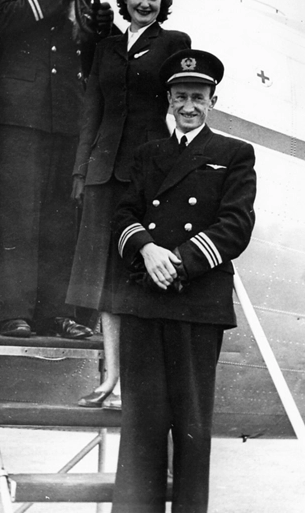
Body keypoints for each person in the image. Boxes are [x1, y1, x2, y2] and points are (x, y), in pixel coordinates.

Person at [111, 49, 257, 513]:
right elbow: (123, 215)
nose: (188, 105)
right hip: (145, 303)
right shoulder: (147, 153)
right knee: (141, 428)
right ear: (169, 99)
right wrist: (147, 249)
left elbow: (236, 226)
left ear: (213, 100)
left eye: (198, 96)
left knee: (192, 430)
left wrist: (178, 260)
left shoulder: (233, 154)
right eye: (180, 96)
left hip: (197, 302)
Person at [0, 0, 112, 339]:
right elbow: (4, 19)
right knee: (19, 214)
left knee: (61, 219)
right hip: (19, 114)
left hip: (65, 118)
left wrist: (100, 31)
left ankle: (56, 314)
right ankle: (14, 313)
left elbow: (83, 56)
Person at [69, 0, 191, 407]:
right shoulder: (107, 48)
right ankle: (110, 378)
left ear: (163, 3)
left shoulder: (173, 44)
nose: (144, 4)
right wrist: (81, 171)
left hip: (146, 174)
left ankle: (132, 384)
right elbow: (92, 114)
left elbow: (180, 103)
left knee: (133, 278)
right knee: (103, 281)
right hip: (103, 173)